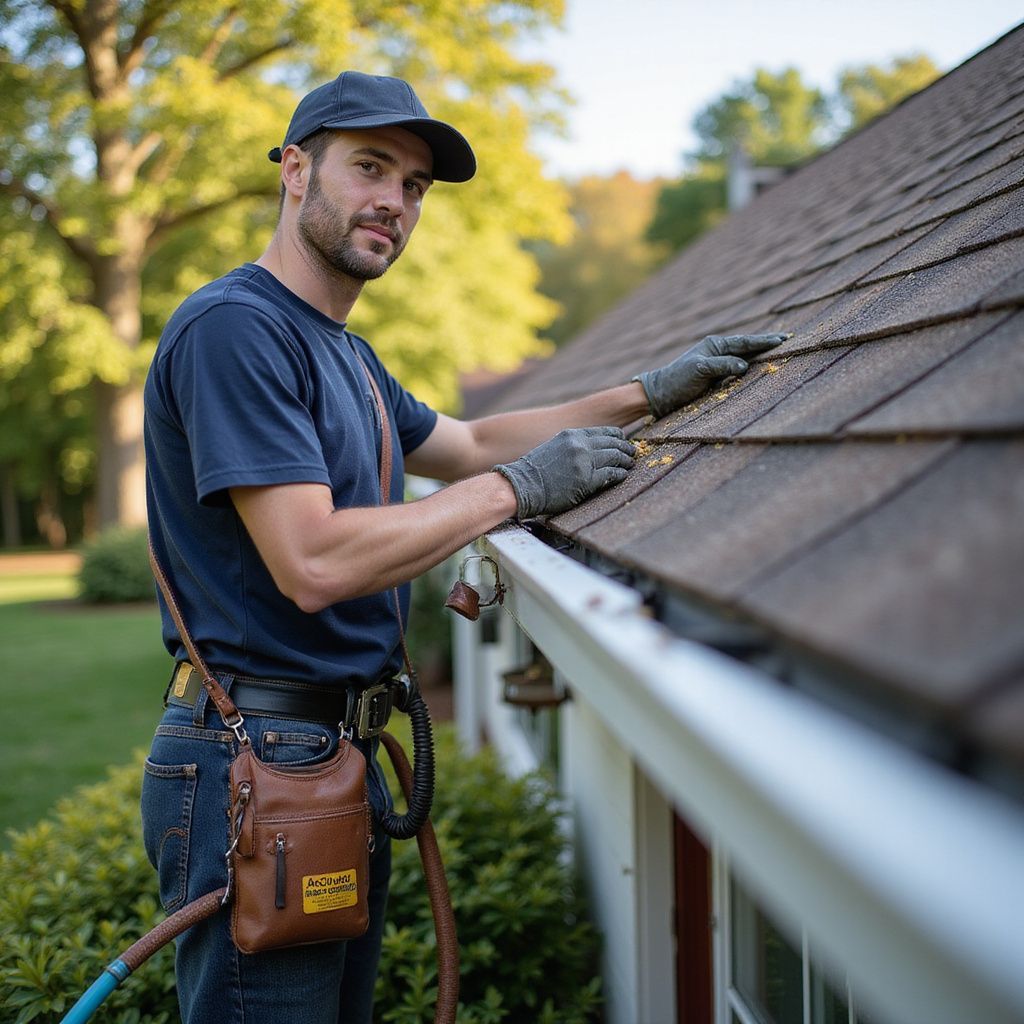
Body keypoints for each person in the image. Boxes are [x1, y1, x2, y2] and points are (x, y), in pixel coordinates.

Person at [141, 70, 785, 1024]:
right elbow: (312, 560)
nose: (393, 203)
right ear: (292, 171)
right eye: (369, 168)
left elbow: (474, 442)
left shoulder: (346, 354)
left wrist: (650, 392)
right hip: (255, 761)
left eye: (413, 186)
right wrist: (518, 493)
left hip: (323, 755)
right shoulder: (238, 331)